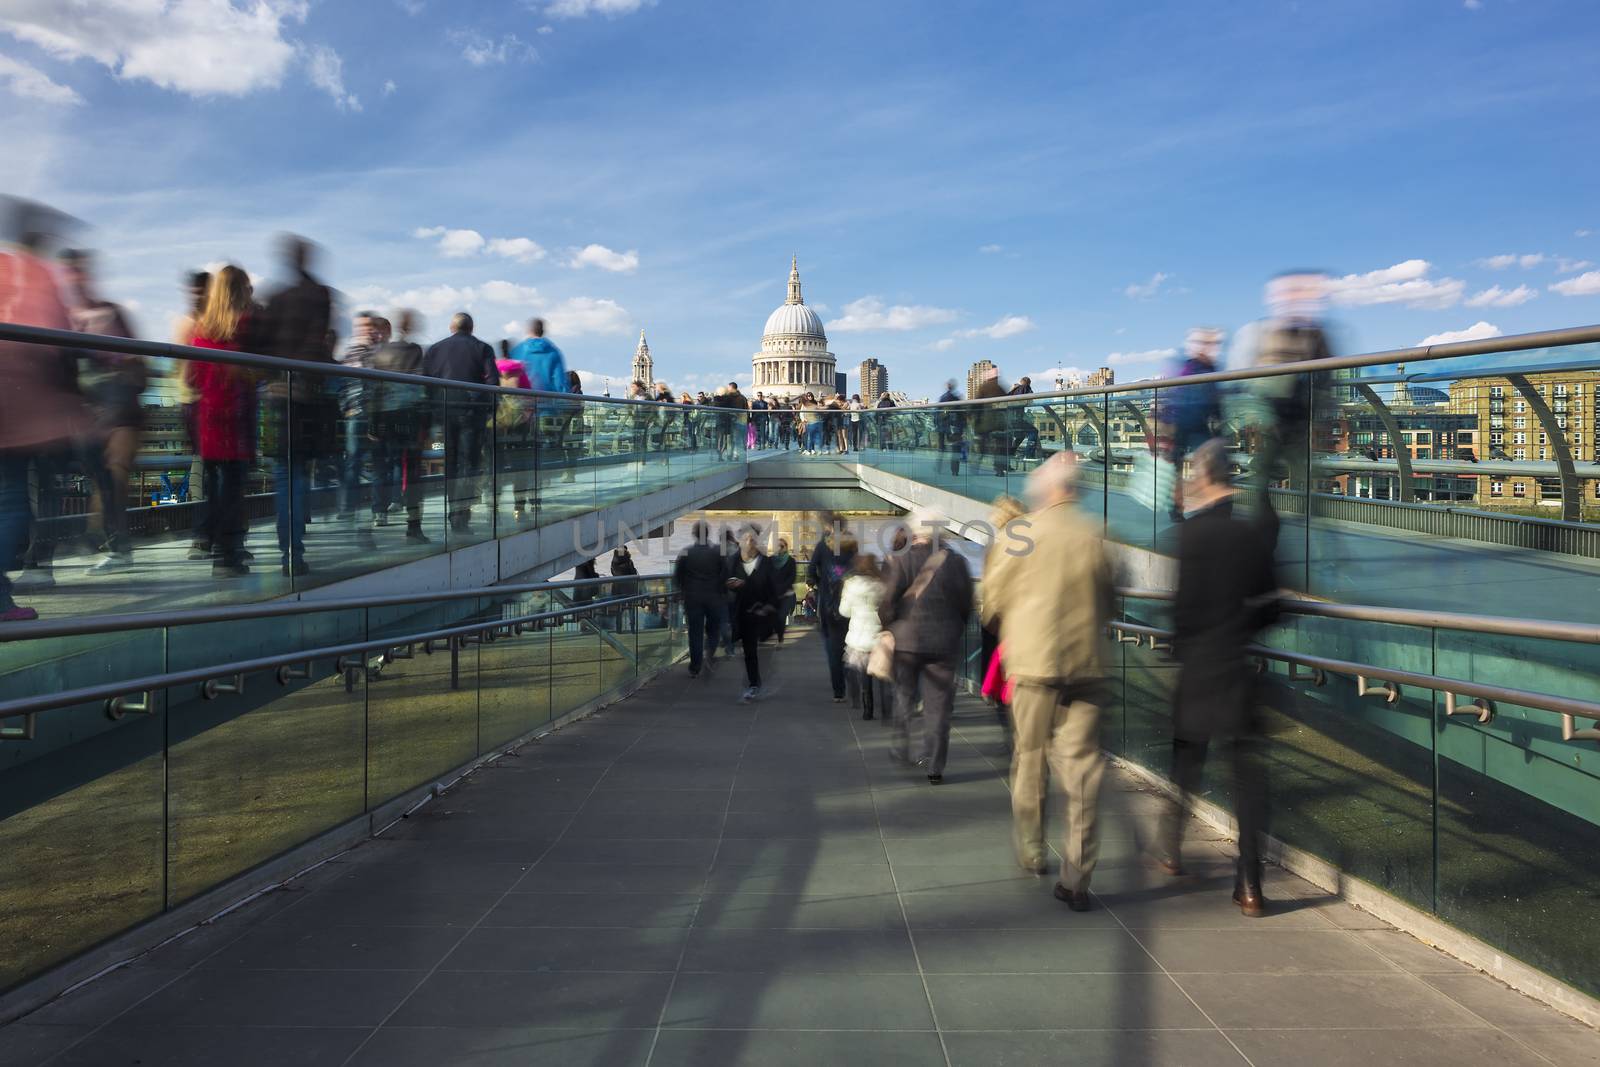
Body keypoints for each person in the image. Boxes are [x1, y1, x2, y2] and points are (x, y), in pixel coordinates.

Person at [981, 452, 1113, 910]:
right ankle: (1077, 877)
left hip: (1034, 665)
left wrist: (1016, 626)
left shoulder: (1021, 532)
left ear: (1047, 488)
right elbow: (1110, 598)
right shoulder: (1097, 532)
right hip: (1088, 665)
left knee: (1031, 760)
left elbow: (991, 602)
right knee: (1081, 772)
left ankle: (1034, 850)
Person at [1157, 439, 1280, 916]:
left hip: (1198, 670)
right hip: (1238, 669)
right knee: (1248, 781)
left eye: (1192, 475)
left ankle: (1171, 848)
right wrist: (1243, 628)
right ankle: (1250, 885)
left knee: (1186, 764)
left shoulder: (1187, 538)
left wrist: (1182, 646)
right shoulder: (1252, 536)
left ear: (1204, 479)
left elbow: (1182, 611)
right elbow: (1274, 606)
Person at [0, 199, 95, 620]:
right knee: (13, 502)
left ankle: (1, 599)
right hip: (22, 415)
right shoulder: (42, 277)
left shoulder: (2, 266)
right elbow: (61, 344)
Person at [58, 248, 144, 574]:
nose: (76, 278)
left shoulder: (109, 313)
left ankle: (109, 543)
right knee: (103, 480)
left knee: (114, 475)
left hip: (119, 407)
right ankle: (108, 541)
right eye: (71, 272)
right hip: (89, 409)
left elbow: (137, 358)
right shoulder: (66, 318)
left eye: (80, 271)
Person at [258, 234, 337, 577]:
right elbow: (321, 341)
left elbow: (259, 347)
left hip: (276, 394)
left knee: (283, 474)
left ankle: (288, 549)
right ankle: (296, 549)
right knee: (300, 472)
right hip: (307, 395)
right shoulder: (320, 295)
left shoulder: (275, 298)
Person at [1231, 271, 1335, 524]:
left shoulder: (1315, 334)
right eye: (1289, 293)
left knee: (1300, 482)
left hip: (1298, 423)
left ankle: (1317, 548)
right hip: (1272, 421)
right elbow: (1244, 376)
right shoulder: (1263, 332)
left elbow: (1326, 378)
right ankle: (1265, 539)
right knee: (1264, 478)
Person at [880, 506, 973, 784]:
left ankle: (901, 742)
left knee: (904, 694)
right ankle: (934, 765)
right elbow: (965, 603)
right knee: (938, 706)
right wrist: (955, 629)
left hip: (906, 640)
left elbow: (887, 601)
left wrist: (888, 628)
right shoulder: (955, 562)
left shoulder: (901, 558)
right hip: (943, 643)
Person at [185, 265, 259, 579]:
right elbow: (258, 370)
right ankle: (230, 555)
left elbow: (191, 377)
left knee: (215, 487)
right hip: (238, 416)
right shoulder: (247, 325)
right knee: (234, 486)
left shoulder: (200, 329)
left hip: (209, 417)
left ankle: (218, 547)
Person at [423, 311, 496, 532]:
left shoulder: (435, 349)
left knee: (451, 463)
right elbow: (492, 382)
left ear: (451, 327)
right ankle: (461, 516)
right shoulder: (482, 348)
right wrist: (490, 410)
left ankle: (452, 511)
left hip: (445, 412)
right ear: (471, 328)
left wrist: (431, 413)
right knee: (469, 464)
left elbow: (426, 383)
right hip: (472, 413)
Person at [369, 309, 430, 542]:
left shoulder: (382, 353)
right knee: (413, 474)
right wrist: (427, 422)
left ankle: (379, 512)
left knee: (381, 468)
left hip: (385, 419)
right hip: (411, 419)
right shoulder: (415, 351)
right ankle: (414, 527)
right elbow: (424, 387)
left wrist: (373, 425)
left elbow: (375, 390)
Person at [979, 495, 1026, 753]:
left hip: (1000, 626)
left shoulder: (999, 547)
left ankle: (1012, 737)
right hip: (1025, 626)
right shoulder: (1032, 543)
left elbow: (993, 590)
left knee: (1001, 685)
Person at [1163, 328, 1225, 520]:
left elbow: (1214, 395)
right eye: (1207, 343)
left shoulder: (1207, 367)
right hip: (1184, 422)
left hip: (1193, 422)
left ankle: (1197, 504)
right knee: (1188, 465)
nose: (1209, 348)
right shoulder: (1193, 367)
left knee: (1197, 464)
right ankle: (1181, 506)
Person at [337, 310, 384, 545]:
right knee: (354, 461)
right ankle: (351, 508)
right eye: (362, 326)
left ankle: (368, 510)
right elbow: (343, 383)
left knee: (366, 463)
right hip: (357, 414)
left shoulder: (375, 352)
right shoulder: (355, 350)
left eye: (369, 326)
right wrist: (348, 408)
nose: (366, 330)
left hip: (370, 415)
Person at [726, 529, 780, 702]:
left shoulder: (766, 563)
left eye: (752, 539)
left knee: (756, 650)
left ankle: (755, 681)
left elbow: (774, 587)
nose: (750, 542)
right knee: (749, 650)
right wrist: (730, 584)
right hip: (742, 613)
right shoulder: (732, 562)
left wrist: (769, 606)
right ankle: (754, 683)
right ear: (739, 542)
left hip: (761, 613)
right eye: (746, 539)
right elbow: (722, 581)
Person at [674, 519, 730, 677]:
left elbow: (678, 576)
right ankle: (710, 655)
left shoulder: (686, 552)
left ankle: (695, 666)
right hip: (714, 597)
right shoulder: (718, 552)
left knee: (695, 632)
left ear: (694, 534)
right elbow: (725, 574)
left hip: (692, 598)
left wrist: (682, 592)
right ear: (708, 533)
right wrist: (721, 591)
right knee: (713, 630)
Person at [809, 521, 854, 702]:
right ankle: (850, 676)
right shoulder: (852, 546)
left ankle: (839, 690)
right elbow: (859, 569)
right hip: (850, 603)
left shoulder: (822, 546)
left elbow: (811, 570)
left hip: (828, 604)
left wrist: (818, 583)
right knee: (850, 644)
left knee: (832, 648)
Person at [839, 552, 885, 719]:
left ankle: (868, 708)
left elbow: (843, 611)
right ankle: (886, 705)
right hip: (877, 634)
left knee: (864, 673)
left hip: (859, 635)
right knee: (881, 668)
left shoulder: (851, 585)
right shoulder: (881, 584)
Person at [496, 339, 536, 521]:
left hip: (497, 424)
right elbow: (529, 396)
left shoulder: (492, 367)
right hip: (519, 423)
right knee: (520, 466)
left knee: (494, 466)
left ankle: (493, 507)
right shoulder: (519, 368)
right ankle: (519, 508)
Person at [973, 365, 1011, 476]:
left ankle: (975, 467)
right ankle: (999, 470)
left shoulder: (983, 387)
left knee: (981, 447)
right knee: (999, 448)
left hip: (985, 423)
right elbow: (1006, 403)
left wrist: (971, 415)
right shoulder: (1001, 388)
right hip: (999, 423)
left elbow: (976, 403)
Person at [770, 535, 797, 644]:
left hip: (786, 594)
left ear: (786, 547)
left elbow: (792, 577)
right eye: (777, 546)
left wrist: (782, 588)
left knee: (781, 617)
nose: (779, 548)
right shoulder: (770, 560)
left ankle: (780, 639)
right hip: (773, 594)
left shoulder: (791, 561)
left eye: (782, 546)